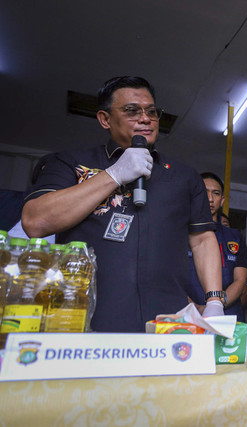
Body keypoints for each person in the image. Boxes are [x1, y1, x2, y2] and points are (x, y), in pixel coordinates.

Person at [21, 76, 225, 332]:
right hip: (89, 316)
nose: (145, 118)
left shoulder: (184, 177)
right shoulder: (70, 162)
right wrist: (114, 174)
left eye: (152, 111)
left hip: (168, 321)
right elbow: (35, 222)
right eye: (132, 111)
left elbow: (202, 240)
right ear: (105, 119)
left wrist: (215, 299)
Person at [186, 172, 247, 321]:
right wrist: (195, 308)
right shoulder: (179, 232)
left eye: (215, 193)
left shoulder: (235, 236)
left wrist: (215, 304)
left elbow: (240, 280)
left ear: (222, 200)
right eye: (204, 192)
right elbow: (171, 278)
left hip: (228, 314)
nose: (209, 199)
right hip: (188, 313)